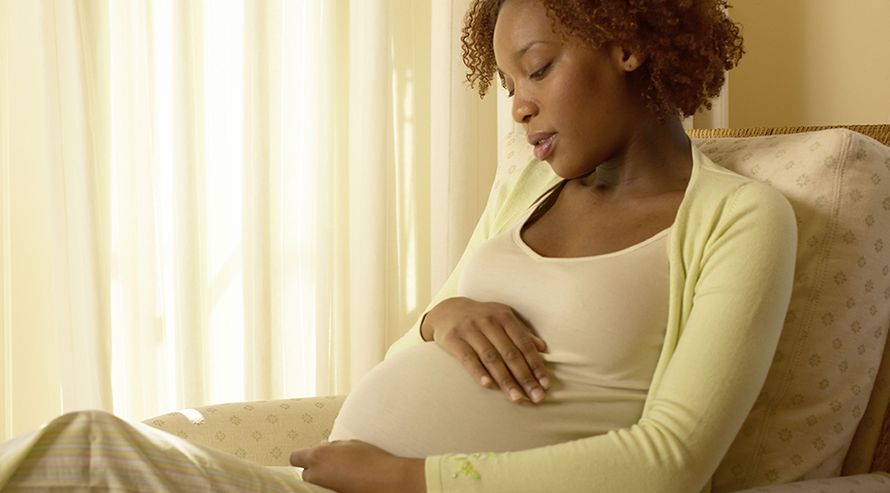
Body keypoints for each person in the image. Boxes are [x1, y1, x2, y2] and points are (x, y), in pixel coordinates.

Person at [0, 0, 796, 492]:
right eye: (509, 85)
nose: (519, 107)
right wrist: (441, 316)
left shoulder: (739, 218)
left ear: (627, 43)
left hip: (399, 488)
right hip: (343, 481)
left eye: (538, 70)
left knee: (87, 449)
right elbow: (409, 352)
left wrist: (408, 477)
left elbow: (670, 462)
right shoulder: (527, 185)